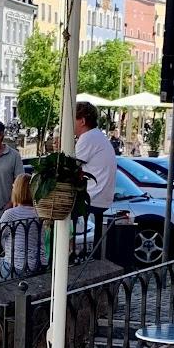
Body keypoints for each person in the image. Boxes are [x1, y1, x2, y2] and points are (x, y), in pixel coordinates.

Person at [73, 101, 117, 250]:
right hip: (101, 199)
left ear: (82, 121)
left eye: (73, 118)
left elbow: (71, 166)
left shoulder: (88, 138)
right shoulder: (98, 136)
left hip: (91, 199)